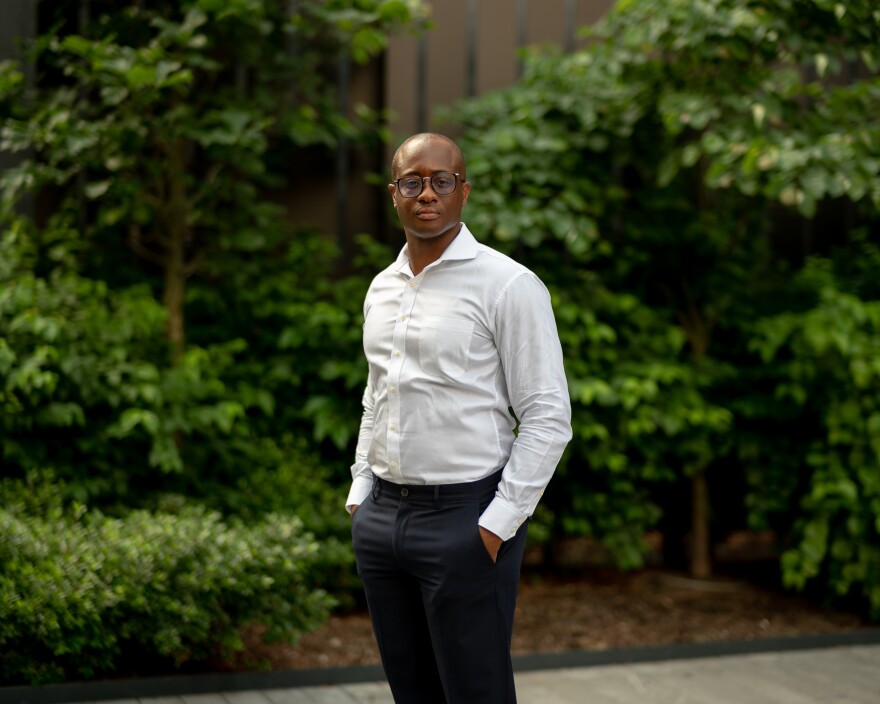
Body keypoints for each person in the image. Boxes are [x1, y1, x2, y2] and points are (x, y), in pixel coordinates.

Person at [347, 132, 572, 704]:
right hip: (383, 521)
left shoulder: (509, 285)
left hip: (465, 521)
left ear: (463, 191)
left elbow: (547, 416)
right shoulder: (382, 287)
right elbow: (379, 393)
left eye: (441, 180)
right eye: (412, 181)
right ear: (393, 194)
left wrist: (497, 524)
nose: (427, 193)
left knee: (476, 692)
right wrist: (360, 491)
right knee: (412, 692)